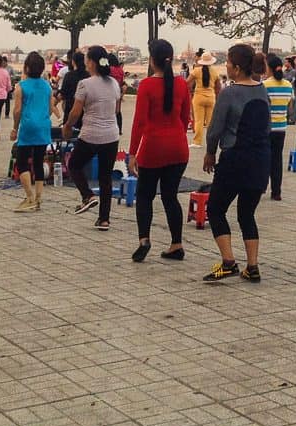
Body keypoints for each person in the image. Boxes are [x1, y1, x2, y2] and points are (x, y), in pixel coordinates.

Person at [202, 44, 270, 283]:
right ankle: (252, 266)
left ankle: (229, 261)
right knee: (246, 213)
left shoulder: (230, 93)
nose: (226, 67)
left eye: (228, 63)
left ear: (238, 68)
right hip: (260, 161)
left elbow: (215, 130)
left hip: (234, 160)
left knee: (216, 209)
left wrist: (210, 153)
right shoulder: (262, 90)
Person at [128, 39, 191, 261]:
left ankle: (144, 240)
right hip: (178, 148)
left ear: (152, 61)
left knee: (144, 195)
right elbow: (185, 119)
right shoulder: (182, 84)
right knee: (170, 196)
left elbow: (140, 123)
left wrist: (132, 152)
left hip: (153, 147)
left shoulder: (145, 85)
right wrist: (175, 135)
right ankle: (176, 244)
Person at [63, 45, 122, 229]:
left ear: (92, 62)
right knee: (105, 177)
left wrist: (67, 126)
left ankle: (87, 195)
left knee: (74, 165)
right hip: (111, 136)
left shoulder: (85, 84)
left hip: (90, 135)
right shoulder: (114, 83)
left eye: (88, 59)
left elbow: (75, 112)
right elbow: (117, 109)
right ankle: (104, 219)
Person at [10, 51, 55, 212]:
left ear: (26, 68)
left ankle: (29, 197)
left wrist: (15, 127)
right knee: (38, 161)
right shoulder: (47, 86)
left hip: (28, 126)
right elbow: (51, 108)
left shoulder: (21, 86)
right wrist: (42, 117)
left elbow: (17, 110)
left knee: (22, 162)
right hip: (43, 126)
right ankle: (38, 198)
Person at [263, 55, 294, 201]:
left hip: (266, 128)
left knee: (263, 158)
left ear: (268, 68)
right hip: (281, 128)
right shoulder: (288, 85)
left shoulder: (264, 85)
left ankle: (261, 186)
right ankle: (276, 192)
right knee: (277, 160)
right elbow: (289, 104)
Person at [189, 49, 221, 148]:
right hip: (211, 97)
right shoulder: (215, 72)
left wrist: (191, 91)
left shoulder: (196, 71)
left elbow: (187, 82)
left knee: (199, 120)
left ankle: (197, 142)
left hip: (198, 97)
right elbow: (218, 86)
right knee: (210, 121)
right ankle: (211, 142)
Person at [57, 52, 88, 129]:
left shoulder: (69, 75)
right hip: (85, 113)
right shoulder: (88, 75)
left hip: (70, 109)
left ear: (73, 62)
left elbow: (62, 94)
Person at [109, 52, 127, 135]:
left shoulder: (109, 69)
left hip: (109, 91)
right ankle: (119, 129)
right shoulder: (120, 70)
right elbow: (122, 81)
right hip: (118, 91)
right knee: (118, 111)